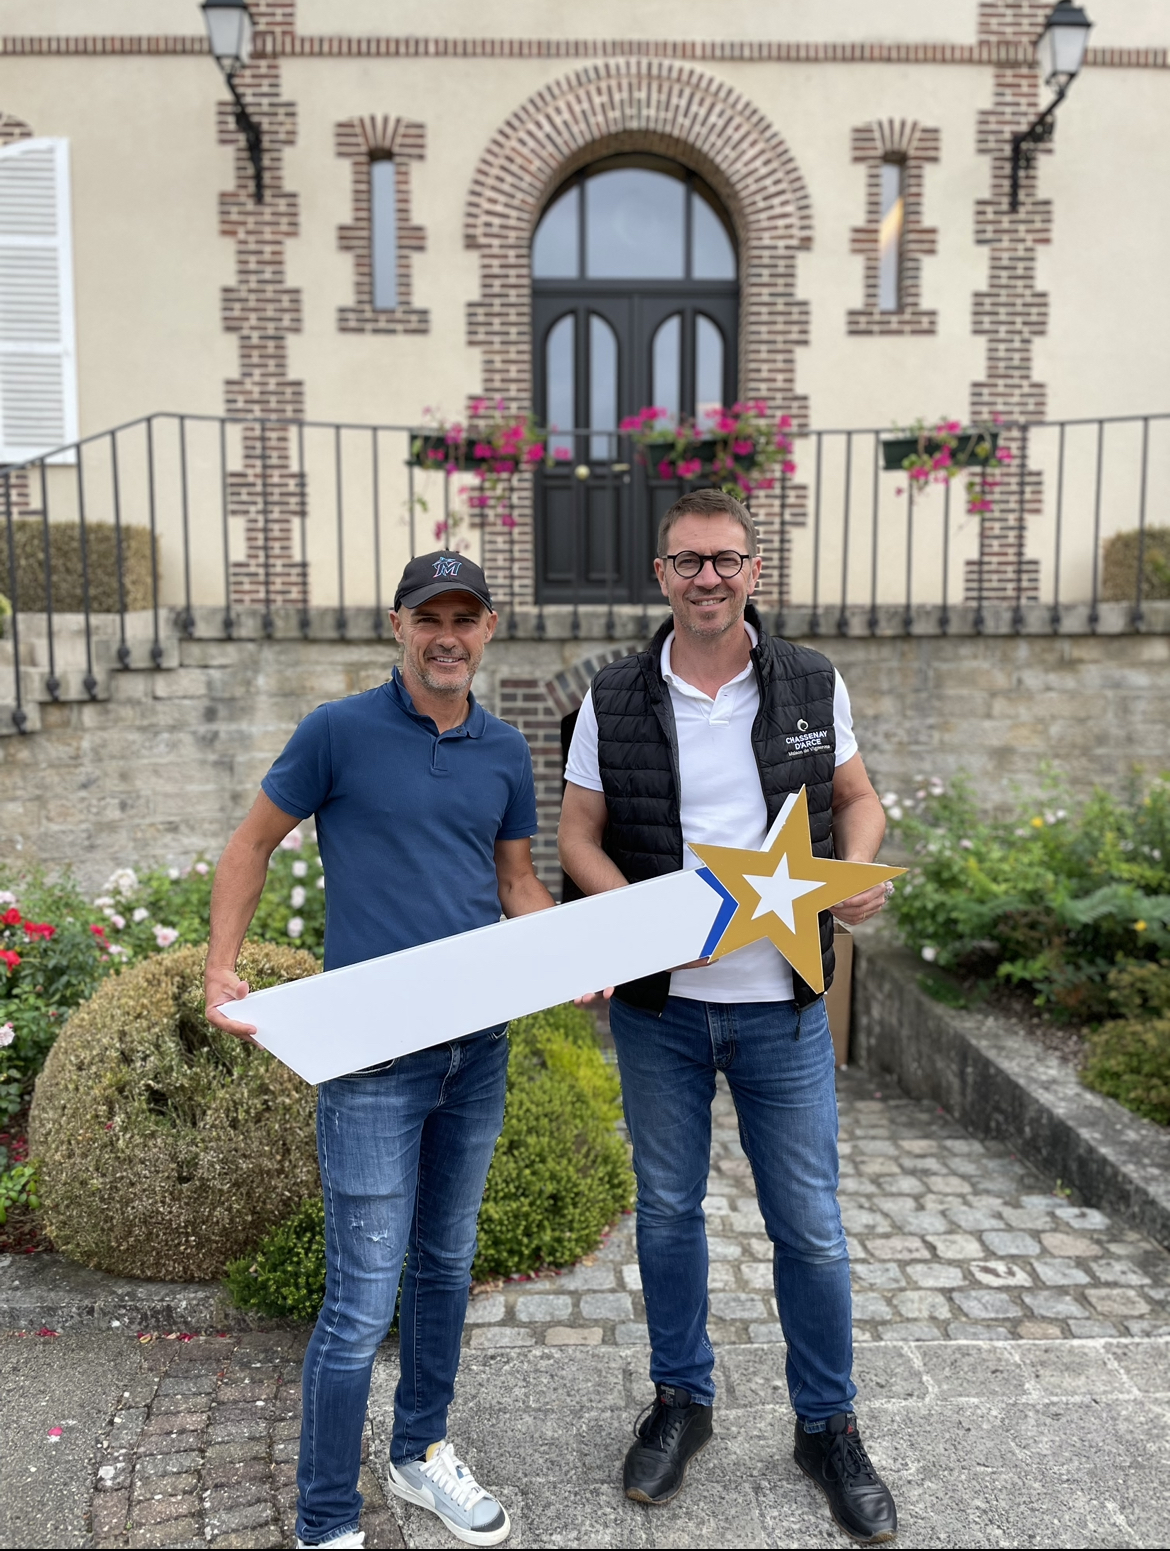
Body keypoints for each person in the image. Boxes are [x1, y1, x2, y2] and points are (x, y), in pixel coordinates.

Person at [558, 489, 899, 1544]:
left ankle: (827, 1425)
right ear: (660, 574)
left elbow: (860, 797)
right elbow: (576, 833)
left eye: (728, 560)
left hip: (784, 1010)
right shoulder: (612, 694)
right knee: (668, 1216)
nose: (709, 577)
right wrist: (629, 924)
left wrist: (861, 868)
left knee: (810, 1228)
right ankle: (681, 1401)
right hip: (663, 1014)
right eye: (688, 560)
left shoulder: (808, 679)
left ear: (755, 570)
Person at [206, 552, 552, 1550]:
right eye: (430, 616)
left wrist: (595, 948)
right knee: (359, 1300)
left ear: (490, 629)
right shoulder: (338, 733)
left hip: (474, 1050)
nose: (449, 634)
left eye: (468, 617)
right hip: (370, 1062)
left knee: (444, 1268)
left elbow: (517, 887)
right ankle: (323, 1520)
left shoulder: (503, 750)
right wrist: (219, 966)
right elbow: (251, 842)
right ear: (398, 626)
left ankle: (418, 1455)